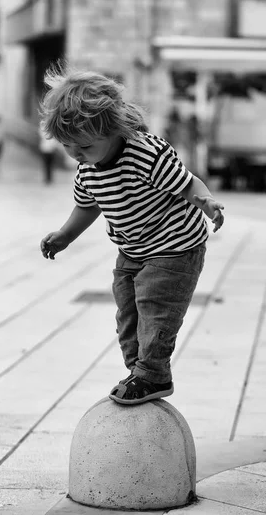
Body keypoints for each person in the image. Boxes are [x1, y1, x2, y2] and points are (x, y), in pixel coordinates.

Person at [40, 68, 225, 405]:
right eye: (67, 146)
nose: (76, 153)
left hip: (175, 246)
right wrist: (65, 236)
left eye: (84, 145)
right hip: (132, 249)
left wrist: (207, 203)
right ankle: (140, 371)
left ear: (112, 130)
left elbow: (187, 183)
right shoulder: (86, 170)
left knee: (155, 305)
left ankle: (153, 374)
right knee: (128, 312)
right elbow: (87, 207)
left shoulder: (145, 153)